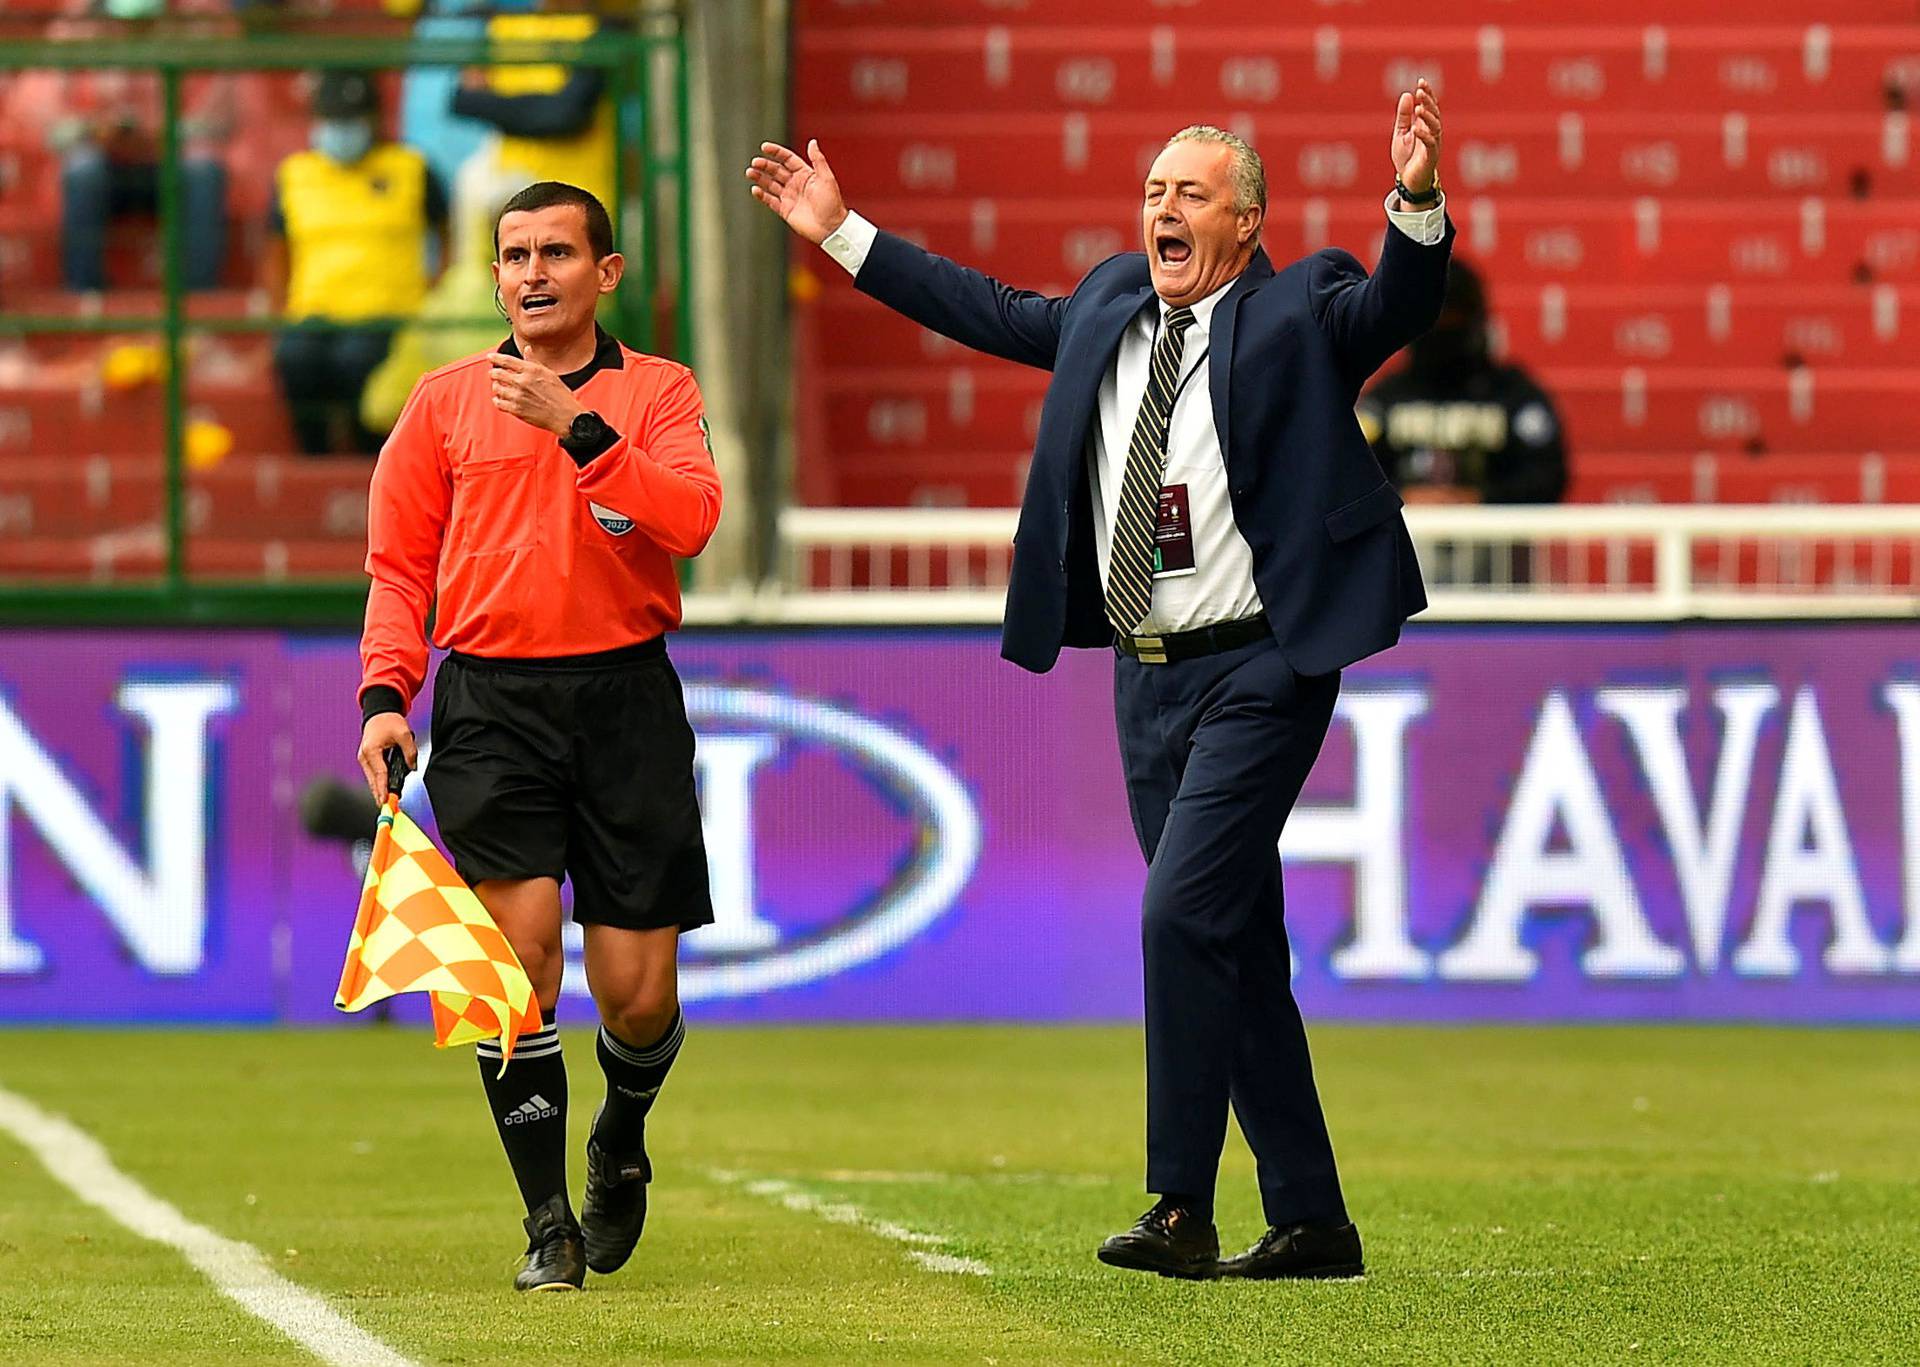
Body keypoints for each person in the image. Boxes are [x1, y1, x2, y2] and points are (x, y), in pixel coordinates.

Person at [750, 83, 1450, 1279]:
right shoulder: (1113, 305)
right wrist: (841, 229)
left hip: (1262, 666)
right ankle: (1315, 1219)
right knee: (1232, 946)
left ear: (1247, 222)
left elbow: (1397, 302)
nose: (1163, 212)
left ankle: (1180, 1202)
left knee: (1180, 915)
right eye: (1151, 192)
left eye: (1191, 195)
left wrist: (1418, 202)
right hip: (1148, 673)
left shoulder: (1298, 304)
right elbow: (982, 307)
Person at [355, 180, 722, 1291]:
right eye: (513, 254)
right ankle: (547, 1220)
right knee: (513, 968)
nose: (530, 273)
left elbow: (692, 518)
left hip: (625, 702)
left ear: (604, 273)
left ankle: (620, 1138)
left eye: (556, 252)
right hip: (493, 705)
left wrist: (578, 428)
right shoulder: (441, 402)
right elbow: (398, 563)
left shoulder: (658, 390)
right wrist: (384, 692)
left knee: (640, 994)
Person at [264, 70, 449, 456]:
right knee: (295, 358)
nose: (340, 129)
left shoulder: (411, 168)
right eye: (332, 119)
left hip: (389, 313)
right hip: (314, 311)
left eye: (350, 119)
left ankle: (373, 458)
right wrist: (281, 309)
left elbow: (446, 232)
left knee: (358, 360)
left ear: (374, 119)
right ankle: (313, 459)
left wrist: (436, 291)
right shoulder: (295, 174)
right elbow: (276, 248)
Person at [1358, 258, 1567, 585]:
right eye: (1431, 318)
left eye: (1452, 315)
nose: (1442, 328)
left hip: (1504, 584)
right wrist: (1404, 498)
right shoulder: (1386, 401)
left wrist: (1479, 500)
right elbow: (1349, 474)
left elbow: (1547, 475)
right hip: (1404, 586)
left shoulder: (1513, 396)